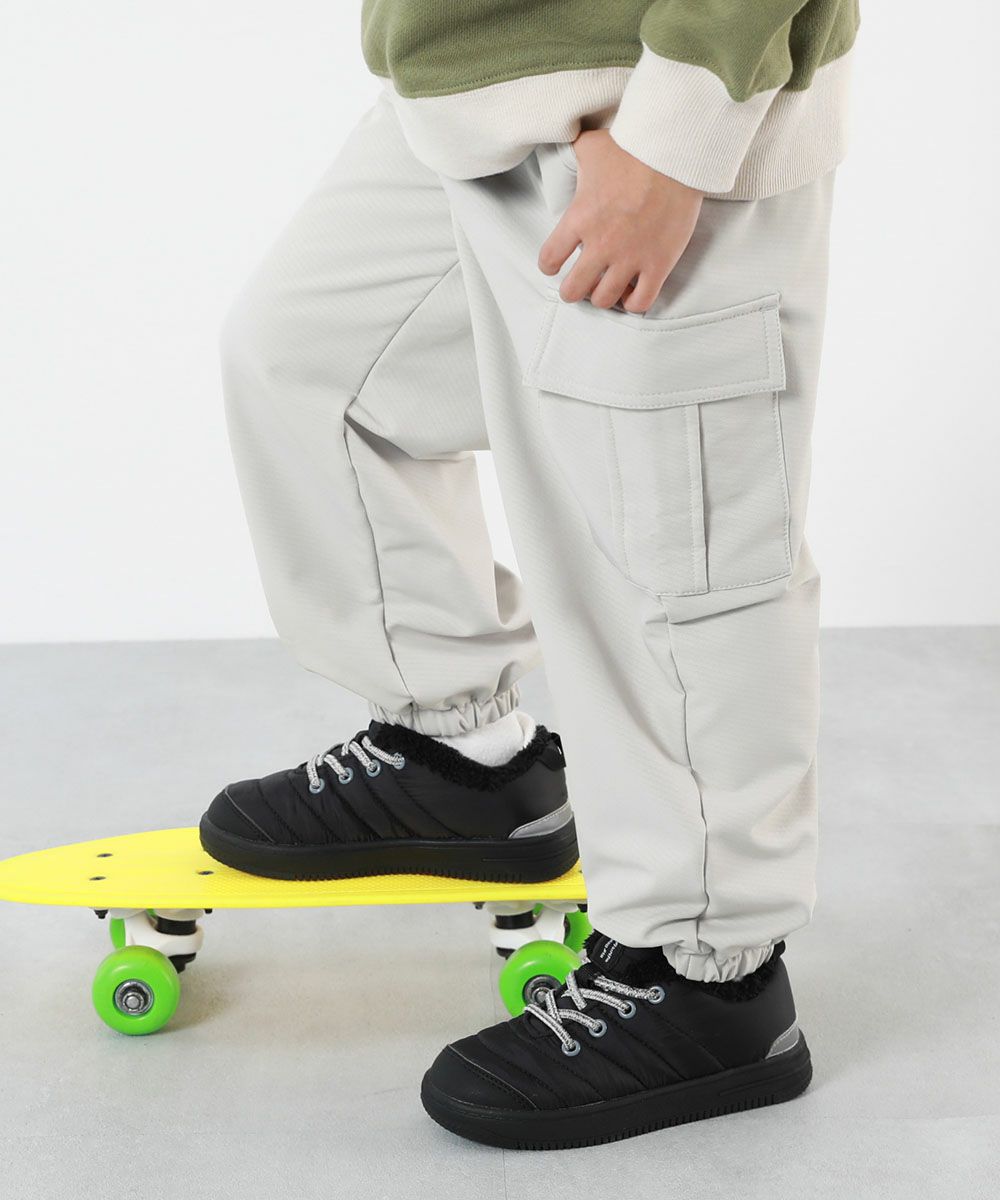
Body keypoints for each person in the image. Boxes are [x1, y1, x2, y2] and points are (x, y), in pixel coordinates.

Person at [198, 0, 858, 1149]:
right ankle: (461, 755)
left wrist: (678, 135)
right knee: (306, 365)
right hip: (470, 86)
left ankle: (711, 973)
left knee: (680, 551)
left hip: (648, 101)